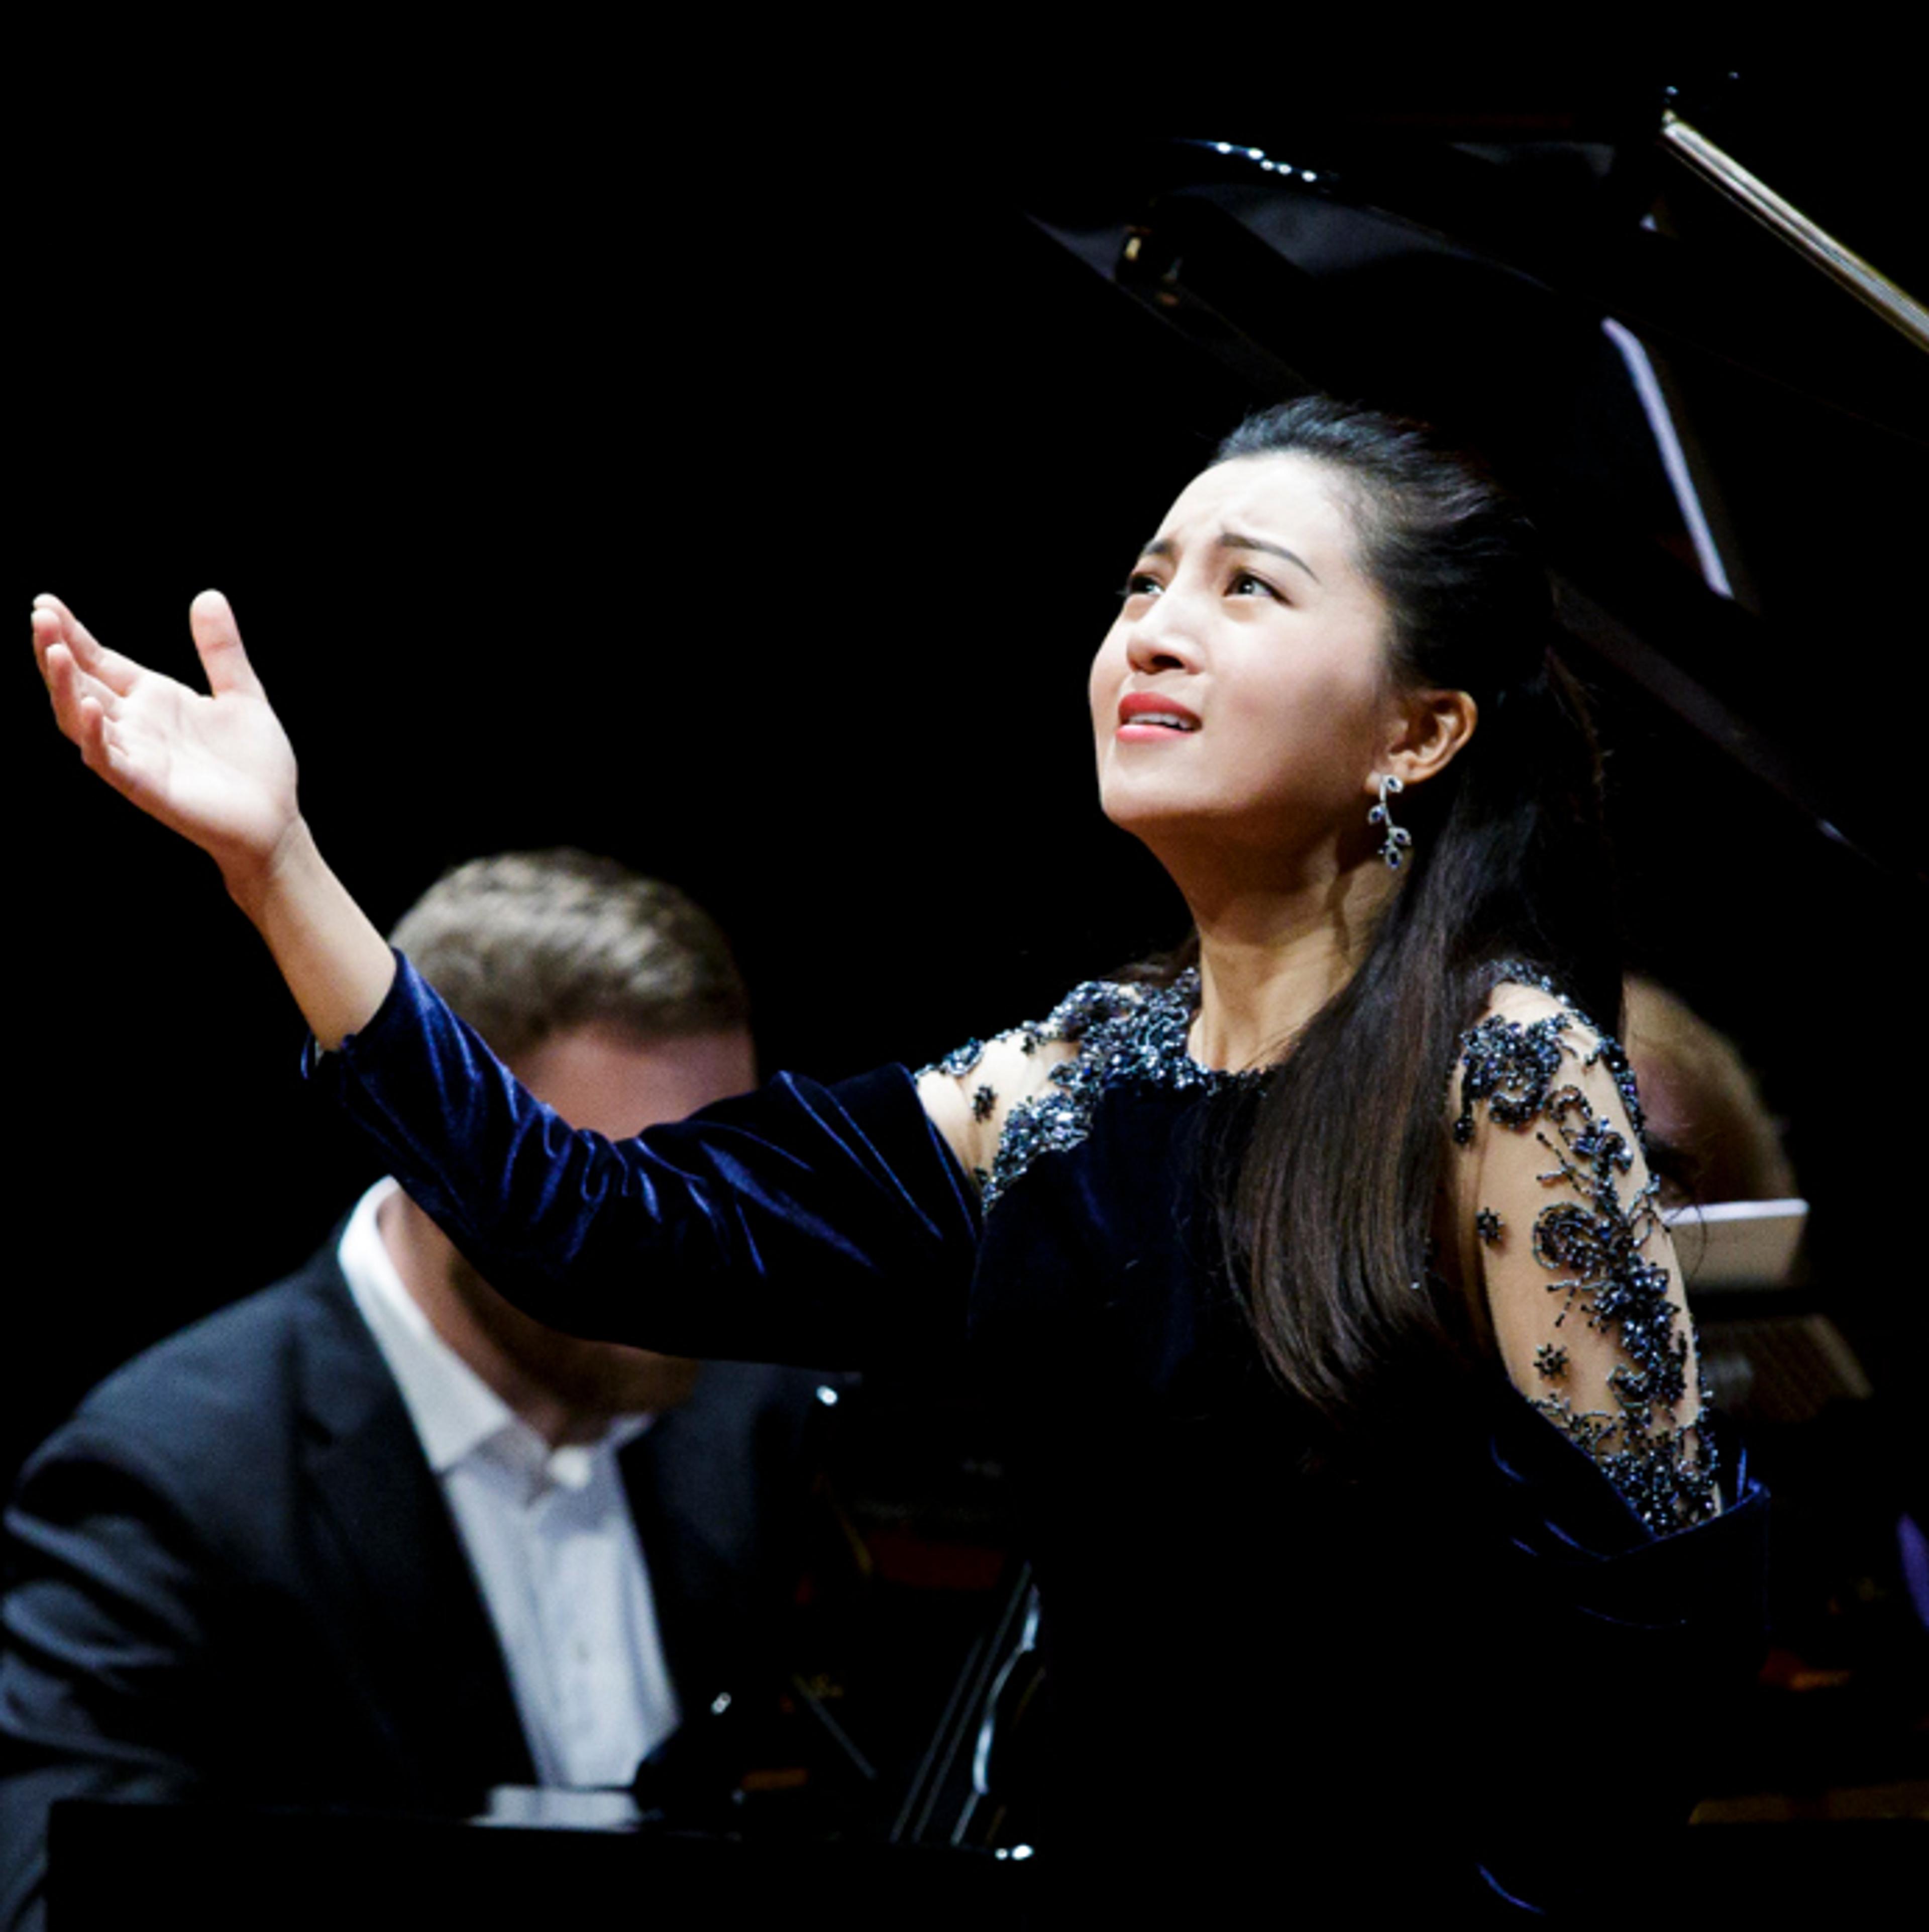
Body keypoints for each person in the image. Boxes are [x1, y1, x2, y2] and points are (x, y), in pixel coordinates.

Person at [31, 397, 1767, 1914]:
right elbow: (599, 1228)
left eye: (1250, 587)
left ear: (1419, 730)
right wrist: (281, 870)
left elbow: (1646, 1645)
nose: (1157, 631)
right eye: (1144, 581)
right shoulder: (1068, 1078)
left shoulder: (1507, 1072)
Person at [0, 850, 823, 1932]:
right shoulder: (169, 1485)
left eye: (727, 1177)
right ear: (448, 1156)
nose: (699, 1258)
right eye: (618, 1192)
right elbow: (55, 1900)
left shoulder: (771, 1410)